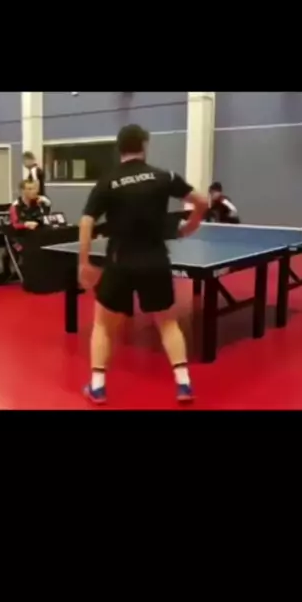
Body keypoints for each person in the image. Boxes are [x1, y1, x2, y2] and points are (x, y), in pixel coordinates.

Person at [78, 124, 209, 405]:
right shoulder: (164, 176)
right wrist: (190, 225)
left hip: (120, 262)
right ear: (144, 145)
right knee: (167, 322)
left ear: (119, 148)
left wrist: (84, 262)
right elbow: (201, 201)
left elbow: (86, 222)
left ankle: (98, 387)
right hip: (155, 260)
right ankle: (184, 384)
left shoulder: (107, 182)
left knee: (103, 325)